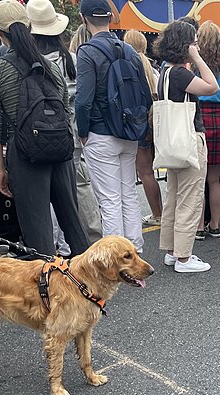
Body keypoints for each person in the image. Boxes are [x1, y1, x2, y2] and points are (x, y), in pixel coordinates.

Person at [0, 0, 89, 258]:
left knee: (38, 230)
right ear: (29, 26)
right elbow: (64, 110)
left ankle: (48, 289)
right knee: (73, 222)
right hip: (60, 150)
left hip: (25, 153)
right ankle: (91, 284)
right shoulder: (51, 65)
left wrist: (0, 169)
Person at [75, 0, 148, 253]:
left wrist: (82, 132)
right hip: (129, 132)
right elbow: (145, 96)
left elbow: (83, 100)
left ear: (84, 19)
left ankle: (116, 255)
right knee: (128, 192)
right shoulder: (129, 50)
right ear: (109, 18)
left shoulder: (87, 52)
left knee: (108, 199)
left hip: (100, 133)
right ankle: (134, 247)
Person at [29, 0, 102, 248]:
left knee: (47, 194)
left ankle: (55, 245)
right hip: (70, 135)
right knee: (79, 188)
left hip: (39, 137)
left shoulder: (29, 61)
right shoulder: (71, 59)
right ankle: (92, 238)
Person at [153, 19, 218, 273]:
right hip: (190, 139)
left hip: (171, 142)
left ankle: (171, 250)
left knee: (174, 197)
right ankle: (183, 256)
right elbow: (212, 87)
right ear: (185, 45)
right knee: (190, 199)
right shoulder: (181, 73)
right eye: (193, 42)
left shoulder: (165, 72)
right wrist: (198, 59)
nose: (197, 45)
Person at [195, 20, 220, 240]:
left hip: (199, 117)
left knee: (198, 180)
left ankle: (199, 226)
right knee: (214, 179)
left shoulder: (195, 64)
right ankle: (215, 225)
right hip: (219, 118)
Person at [123, 29, 163, 227]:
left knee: (144, 172)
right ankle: (160, 212)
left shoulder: (130, 66)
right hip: (154, 123)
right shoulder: (153, 70)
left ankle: (157, 214)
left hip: (138, 125)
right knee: (150, 171)